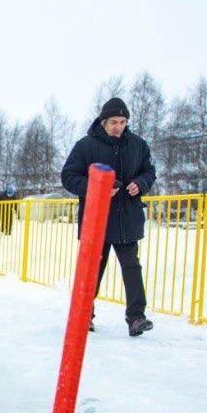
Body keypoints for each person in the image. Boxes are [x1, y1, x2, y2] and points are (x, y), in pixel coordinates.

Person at [61, 98, 157, 336]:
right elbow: (69, 177)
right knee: (91, 271)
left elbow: (149, 171)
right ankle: (84, 316)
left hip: (127, 219)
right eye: (114, 122)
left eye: (123, 122)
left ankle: (136, 318)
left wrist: (141, 184)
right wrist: (97, 187)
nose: (119, 126)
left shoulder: (138, 145)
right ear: (103, 122)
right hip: (97, 221)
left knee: (132, 268)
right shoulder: (85, 146)